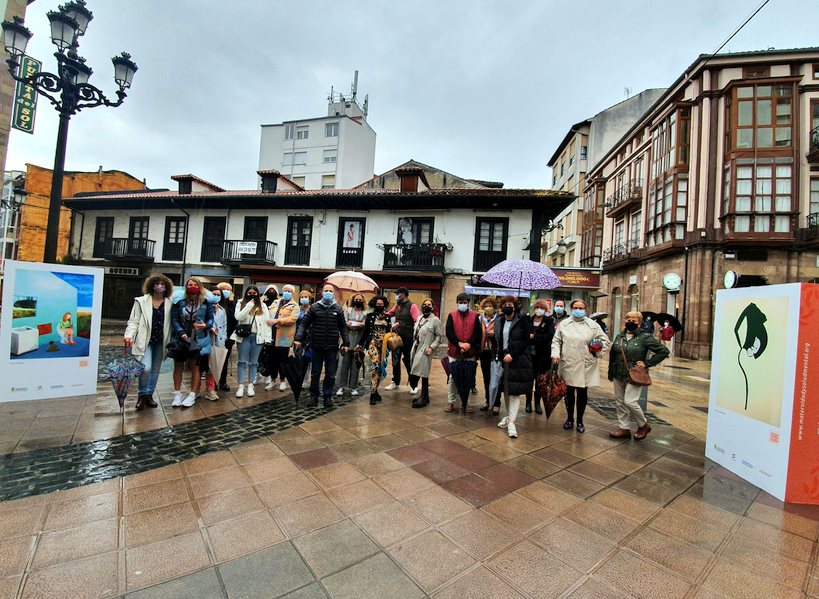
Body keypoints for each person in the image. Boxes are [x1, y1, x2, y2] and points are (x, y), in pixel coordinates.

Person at [551, 299, 610, 433]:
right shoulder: (564, 324)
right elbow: (556, 341)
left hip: (585, 363)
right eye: (576, 307)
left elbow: (606, 342)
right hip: (568, 362)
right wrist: (555, 354)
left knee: (582, 393)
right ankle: (570, 418)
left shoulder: (593, 325)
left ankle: (580, 421)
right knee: (569, 393)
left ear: (585, 309)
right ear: (571, 309)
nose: (578, 310)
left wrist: (596, 353)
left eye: (581, 308)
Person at [608, 311, 669, 440]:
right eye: (628, 320)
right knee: (620, 402)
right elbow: (613, 354)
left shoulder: (645, 337)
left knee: (630, 401)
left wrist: (647, 363)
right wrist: (610, 372)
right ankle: (624, 428)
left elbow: (664, 351)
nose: (630, 322)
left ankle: (643, 425)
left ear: (639, 323)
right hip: (618, 372)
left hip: (635, 374)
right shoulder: (620, 336)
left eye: (634, 321)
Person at [295, 284, 350, 407]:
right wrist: (298, 338)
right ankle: (313, 397)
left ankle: (327, 396)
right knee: (315, 373)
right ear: (322, 292)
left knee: (330, 373)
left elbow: (343, 327)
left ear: (333, 293)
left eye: (331, 291)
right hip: (316, 345)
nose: (328, 293)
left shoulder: (337, 309)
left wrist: (346, 343)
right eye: (326, 290)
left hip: (331, 346)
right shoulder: (314, 307)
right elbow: (304, 324)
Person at [124, 274, 173, 410]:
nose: (159, 286)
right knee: (146, 368)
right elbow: (133, 321)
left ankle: (149, 395)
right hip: (145, 340)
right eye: (157, 284)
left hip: (161, 341)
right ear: (151, 285)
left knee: (155, 370)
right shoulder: (141, 301)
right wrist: (129, 335)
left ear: (166, 287)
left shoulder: (170, 302)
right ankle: (141, 394)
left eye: (163, 284)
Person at [170, 277, 215, 408]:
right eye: (190, 284)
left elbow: (211, 319)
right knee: (178, 365)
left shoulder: (206, 302)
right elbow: (174, 320)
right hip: (180, 338)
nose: (192, 286)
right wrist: (181, 332)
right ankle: (177, 394)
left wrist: (205, 325)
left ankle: (192, 395)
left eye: (195, 284)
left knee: (195, 366)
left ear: (200, 287)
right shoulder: (178, 301)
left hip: (198, 339)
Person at [494, 296, 533, 439]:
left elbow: (526, 341)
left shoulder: (522, 320)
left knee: (514, 392)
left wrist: (513, 354)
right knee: (505, 389)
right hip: (504, 359)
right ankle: (509, 417)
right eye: (504, 304)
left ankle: (512, 423)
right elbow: (498, 340)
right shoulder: (499, 320)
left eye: (510, 304)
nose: (507, 307)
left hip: (518, 359)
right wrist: (499, 355)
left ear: (515, 306)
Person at [444, 292, 482, 413]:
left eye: (465, 303)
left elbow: (478, 333)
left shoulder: (474, 315)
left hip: (469, 352)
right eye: (460, 303)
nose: (462, 305)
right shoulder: (452, 315)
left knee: (469, 378)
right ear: (457, 303)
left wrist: (468, 344)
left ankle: (467, 403)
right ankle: (451, 401)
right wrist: (459, 343)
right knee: (452, 378)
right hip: (454, 351)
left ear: (468, 303)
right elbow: (449, 332)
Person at [232, 285, 271, 398]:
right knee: (242, 361)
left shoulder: (262, 306)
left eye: (255, 292)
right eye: (250, 292)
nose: (252, 294)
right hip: (243, 336)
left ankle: (250, 384)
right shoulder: (240, 303)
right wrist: (249, 305)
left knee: (254, 362)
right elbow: (238, 317)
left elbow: (267, 323)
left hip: (258, 337)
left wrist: (267, 338)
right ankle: (240, 386)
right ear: (246, 293)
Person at [408, 298, 443, 409]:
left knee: (424, 372)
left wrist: (432, 347)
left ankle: (424, 396)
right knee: (416, 371)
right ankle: (425, 396)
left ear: (433, 307)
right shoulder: (419, 318)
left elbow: (439, 336)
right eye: (424, 304)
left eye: (429, 305)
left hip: (425, 349)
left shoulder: (435, 320)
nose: (426, 306)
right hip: (416, 347)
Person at [358, 295, 391, 405]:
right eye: (377, 304)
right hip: (373, 343)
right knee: (375, 366)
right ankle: (372, 394)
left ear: (384, 305)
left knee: (380, 368)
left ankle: (375, 390)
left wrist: (393, 329)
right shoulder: (370, 316)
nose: (379, 306)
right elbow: (365, 332)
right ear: (374, 305)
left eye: (381, 304)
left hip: (384, 346)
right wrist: (360, 344)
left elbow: (389, 332)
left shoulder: (387, 317)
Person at [385, 287, 419, 391]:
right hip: (397, 337)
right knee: (395, 359)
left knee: (409, 360)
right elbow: (389, 314)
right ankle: (395, 381)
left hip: (408, 338)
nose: (397, 296)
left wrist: (401, 323)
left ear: (403, 294)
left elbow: (417, 320)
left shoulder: (412, 306)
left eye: (398, 294)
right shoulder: (397, 305)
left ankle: (413, 384)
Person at [267, 284, 299, 391]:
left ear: (292, 293)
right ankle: (272, 380)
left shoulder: (294, 305)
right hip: (271, 335)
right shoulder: (275, 302)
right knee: (272, 359)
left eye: (289, 291)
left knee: (283, 360)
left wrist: (278, 320)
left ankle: (282, 380)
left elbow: (292, 319)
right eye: (285, 290)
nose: (287, 292)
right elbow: (268, 314)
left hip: (284, 337)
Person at [527, 299, 555, 415]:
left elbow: (549, 336)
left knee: (539, 381)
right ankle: (528, 403)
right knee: (529, 379)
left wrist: (535, 337)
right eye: (537, 307)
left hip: (542, 356)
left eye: (541, 308)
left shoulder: (549, 321)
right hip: (529, 355)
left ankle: (537, 404)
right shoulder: (529, 320)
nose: (539, 310)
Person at [337, 293, 367, 396]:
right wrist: (357, 324)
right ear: (353, 300)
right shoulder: (348, 310)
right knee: (344, 365)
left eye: (360, 299)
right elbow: (344, 323)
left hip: (359, 342)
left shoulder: (365, 312)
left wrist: (354, 323)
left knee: (355, 365)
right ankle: (341, 386)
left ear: (363, 301)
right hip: (347, 341)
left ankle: (353, 387)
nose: (358, 300)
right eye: (356, 299)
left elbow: (365, 324)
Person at [202, 286, 228, 401]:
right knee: (200, 366)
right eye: (214, 294)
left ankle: (210, 389)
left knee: (213, 366)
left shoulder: (222, 310)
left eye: (218, 295)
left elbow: (224, 326)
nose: (216, 297)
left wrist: (223, 338)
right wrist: (210, 328)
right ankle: (195, 389)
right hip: (205, 340)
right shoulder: (204, 307)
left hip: (218, 342)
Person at [478, 297, 501, 414]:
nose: (488, 308)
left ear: (494, 307)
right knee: (486, 377)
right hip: (484, 352)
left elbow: (503, 334)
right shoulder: (480, 319)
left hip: (495, 352)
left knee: (496, 378)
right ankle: (488, 401)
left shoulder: (499, 319)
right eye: (486, 306)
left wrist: (494, 333)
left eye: (490, 306)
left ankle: (497, 403)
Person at [215, 282, 236, 391]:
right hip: (215, 335)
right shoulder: (215, 302)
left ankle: (222, 381)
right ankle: (213, 382)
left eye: (229, 289)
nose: (226, 291)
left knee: (224, 359)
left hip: (228, 336)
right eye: (224, 289)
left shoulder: (233, 304)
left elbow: (235, 319)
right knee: (214, 359)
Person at [261, 284, 281, 387]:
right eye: (270, 290)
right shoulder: (262, 302)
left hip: (275, 331)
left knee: (272, 355)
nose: (272, 291)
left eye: (274, 290)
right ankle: (262, 373)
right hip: (263, 330)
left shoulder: (279, 303)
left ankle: (271, 376)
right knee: (262, 355)